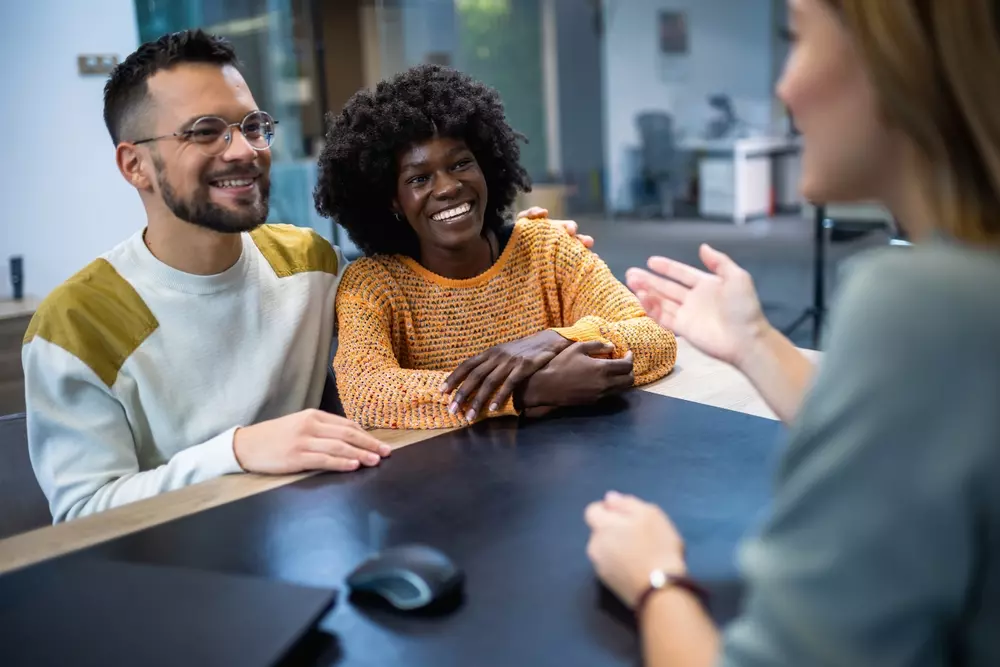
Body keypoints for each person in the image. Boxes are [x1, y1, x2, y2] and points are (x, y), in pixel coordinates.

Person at [22, 30, 587, 523]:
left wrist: (509, 241)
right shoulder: (74, 324)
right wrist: (236, 451)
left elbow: (422, 294)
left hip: (315, 543)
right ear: (135, 165)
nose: (243, 150)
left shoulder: (310, 263)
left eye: (252, 126)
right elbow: (81, 514)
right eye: (205, 132)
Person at [585, 0, 1000, 665]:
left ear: (894, 59)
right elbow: (916, 447)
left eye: (798, 37)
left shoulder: (922, 304)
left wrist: (653, 578)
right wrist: (754, 340)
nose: (785, 86)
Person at [316, 65, 677, 429]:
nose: (448, 187)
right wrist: (528, 390)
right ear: (393, 200)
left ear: (486, 167)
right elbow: (367, 392)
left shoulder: (547, 250)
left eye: (461, 164)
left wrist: (554, 340)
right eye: (420, 178)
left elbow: (654, 339)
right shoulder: (373, 285)